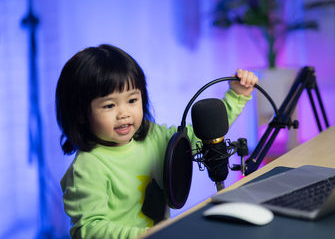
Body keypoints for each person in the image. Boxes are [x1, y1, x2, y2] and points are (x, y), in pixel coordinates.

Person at [56, 44, 258, 239]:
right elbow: (90, 230)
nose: (124, 113)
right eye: (109, 105)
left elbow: (199, 135)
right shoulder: (87, 168)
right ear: (81, 113)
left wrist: (236, 96)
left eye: (132, 100)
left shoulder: (152, 136)